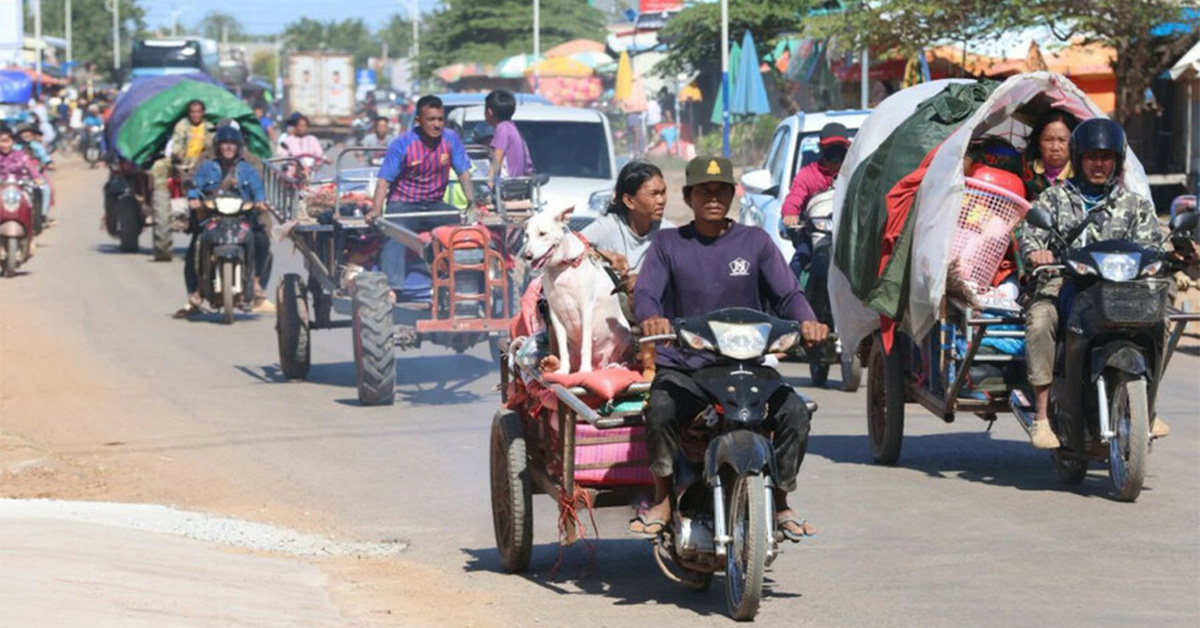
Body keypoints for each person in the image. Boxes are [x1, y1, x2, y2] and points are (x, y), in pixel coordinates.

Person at [630, 156, 828, 540]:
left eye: (721, 190)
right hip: (687, 367)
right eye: (703, 191)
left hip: (748, 366)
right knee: (660, 408)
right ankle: (662, 499)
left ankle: (781, 501)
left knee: (795, 414)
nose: (713, 198)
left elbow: (788, 294)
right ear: (688, 197)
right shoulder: (669, 244)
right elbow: (647, 294)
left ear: (733, 195)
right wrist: (651, 318)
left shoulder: (756, 242)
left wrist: (808, 321)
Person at [1020, 118, 1167, 449]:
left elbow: (1152, 244)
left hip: (1119, 289)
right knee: (1041, 320)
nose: (1098, 164)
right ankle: (1042, 418)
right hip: (1065, 281)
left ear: (1116, 160)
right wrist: (1037, 253)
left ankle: (1149, 406)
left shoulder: (1134, 204)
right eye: (1090, 157)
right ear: (1078, 158)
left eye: (1106, 157)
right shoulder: (1054, 199)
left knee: (1161, 318)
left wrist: (1161, 259)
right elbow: (1030, 238)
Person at [367, 95, 478, 293]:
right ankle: (393, 288)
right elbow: (384, 180)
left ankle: (463, 281)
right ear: (418, 121)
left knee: (462, 230)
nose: (437, 125)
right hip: (403, 205)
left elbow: (464, 173)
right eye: (431, 120)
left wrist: (472, 204)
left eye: (440, 119)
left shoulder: (451, 139)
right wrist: (376, 210)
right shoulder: (402, 144)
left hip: (435, 205)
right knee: (395, 233)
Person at [174, 125, 274, 318]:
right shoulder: (206, 166)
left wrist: (260, 202)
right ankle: (197, 293)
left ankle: (254, 281)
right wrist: (194, 198)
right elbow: (195, 186)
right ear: (218, 146)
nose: (228, 148)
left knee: (261, 240)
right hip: (213, 217)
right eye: (224, 144)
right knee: (196, 247)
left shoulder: (248, 168)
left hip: (242, 217)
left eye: (232, 144)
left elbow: (258, 190)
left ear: (238, 146)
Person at [150, 99, 214, 262]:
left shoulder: (209, 127)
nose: (195, 115)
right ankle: (161, 194)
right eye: (193, 112)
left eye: (198, 112)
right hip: (183, 162)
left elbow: (214, 147)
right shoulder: (182, 126)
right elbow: (177, 145)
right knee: (158, 167)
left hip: (203, 163)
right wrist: (180, 157)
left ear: (203, 113)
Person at [581, 160, 668, 275]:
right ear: (629, 201)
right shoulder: (609, 226)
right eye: (654, 194)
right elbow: (568, 248)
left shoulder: (667, 232)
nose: (661, 200)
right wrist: (602, 254)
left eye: (663, 193)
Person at [781, 123, 851, 228]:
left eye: (839, 148)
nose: (835, 153)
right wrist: (790, 213)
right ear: (820, 148)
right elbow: (794, 197)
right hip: (816, 232)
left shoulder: (855, 172)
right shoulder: (807, 175)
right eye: (830, 148)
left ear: (848, 147)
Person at [1023, 108, 1078, 201]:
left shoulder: (1079, 175)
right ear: (1038, 141)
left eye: (1062, 140)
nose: (1055, 147)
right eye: (1048, 139)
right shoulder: (1025, 169)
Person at [484, 90, 532, 180]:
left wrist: (488, 186)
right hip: (517, 184)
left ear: (489, 112)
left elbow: (497, 159)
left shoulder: (502, 128)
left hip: (507, 185)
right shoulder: (511, 127)